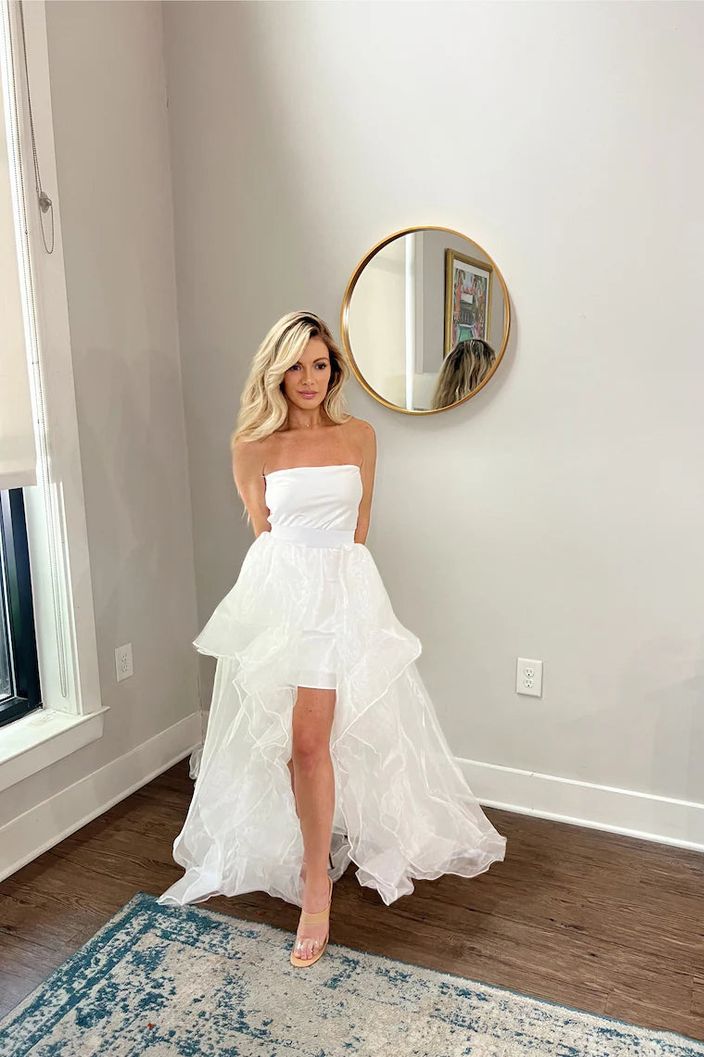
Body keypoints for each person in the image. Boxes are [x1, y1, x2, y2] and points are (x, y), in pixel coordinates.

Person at [158, 310, 507, 968]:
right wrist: (293, 598)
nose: (309, 377)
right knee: (298, 746)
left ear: (334, 371)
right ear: (276, 370)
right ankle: (313, 861)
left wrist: (342, 605)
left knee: (312, 742)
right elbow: (265, 532)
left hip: (342, 596)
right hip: (281, 596)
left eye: (320, 364)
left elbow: (359, 523)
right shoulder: (251, 448)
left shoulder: (361, 436)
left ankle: (316, 882)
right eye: (296, 364)